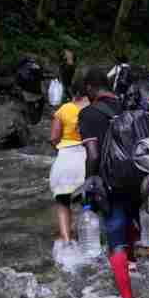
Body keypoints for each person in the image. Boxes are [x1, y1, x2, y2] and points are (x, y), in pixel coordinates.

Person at [78, 67, 140, 298]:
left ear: (90, 88)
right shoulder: (127, 107)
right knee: (130, 220)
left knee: (114, 234)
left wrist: (89, 183)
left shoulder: (89, 114)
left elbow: (93, 154)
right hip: (136, 176)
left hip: (110, 180)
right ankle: (133, 264)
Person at [49, 88, 89, 243]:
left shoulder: (64, 109)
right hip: (88, 158)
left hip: (66, 158)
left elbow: (54, 138)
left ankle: (67, 240)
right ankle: (91, 237)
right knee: (88, 202)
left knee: (63, 201)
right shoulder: (95, 108)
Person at [15, 54, 46, 125]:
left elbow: (18, 82)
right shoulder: (36, 67)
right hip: (37, 91)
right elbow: (41, 77)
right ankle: (36, 119)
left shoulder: (20, 69)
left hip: (27, 92)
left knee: (30, 105)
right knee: (41, 102)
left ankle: (32, 120)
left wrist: (21, 88)